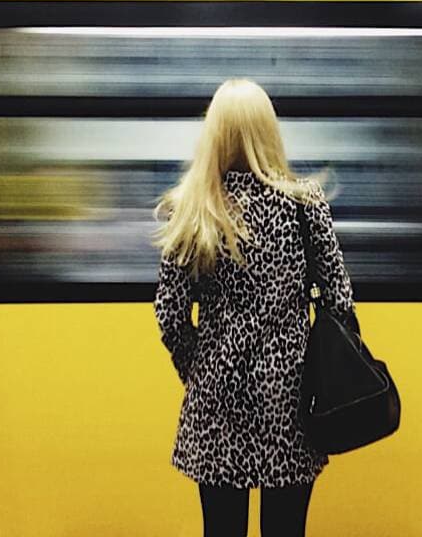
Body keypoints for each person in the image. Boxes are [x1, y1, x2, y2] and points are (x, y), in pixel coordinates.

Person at [153, 79, 356, 537]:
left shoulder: (194, 209)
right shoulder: (304, 204)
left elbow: (169, 313)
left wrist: (199, 369)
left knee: (221, 529)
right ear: (269, 132)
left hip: (216, 398)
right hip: (291, 399)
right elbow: (340, 298)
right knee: (286, 530)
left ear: (214, 134)